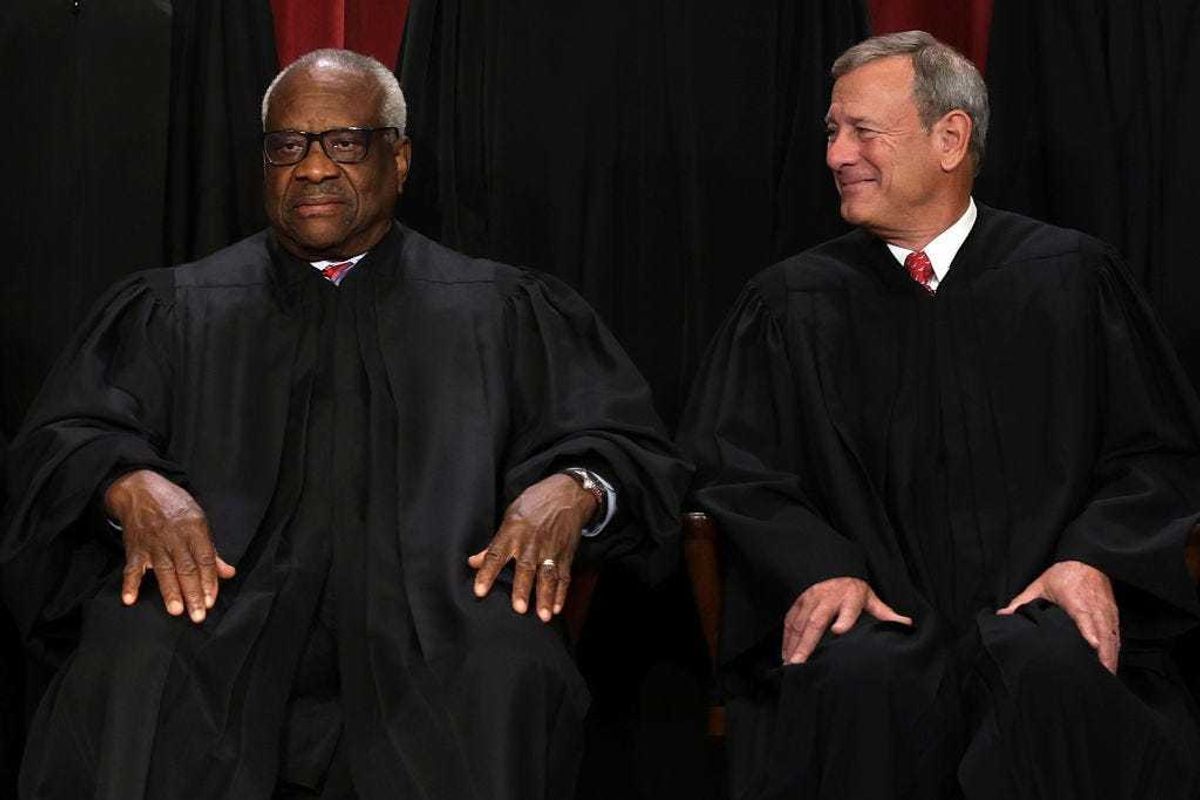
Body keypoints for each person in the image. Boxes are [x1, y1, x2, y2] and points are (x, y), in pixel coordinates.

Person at [0, 49, 689, 800]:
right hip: (214, 612)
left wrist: (574, 486)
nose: (313, 168)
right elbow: (62, 436)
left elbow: (629, 446)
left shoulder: (499, 311)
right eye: (287, 146)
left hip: (440, 615)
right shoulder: (177, 309)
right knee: (131, 653)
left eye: (344, 143)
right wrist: (126, 483)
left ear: (399, 159)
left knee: (506, 664)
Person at [678, 31, 1200, 800]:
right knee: (856, 677)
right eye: (831, 131)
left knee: (1058, 669)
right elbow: (733, 470)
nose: (835, 155)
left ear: (950, 137)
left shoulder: (1072, 279)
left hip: (1039, 614)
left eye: (862, 131)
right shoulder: (789, 303)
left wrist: (1093, 557)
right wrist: (819, 566)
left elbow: (1156, 452)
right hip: (873, 619)